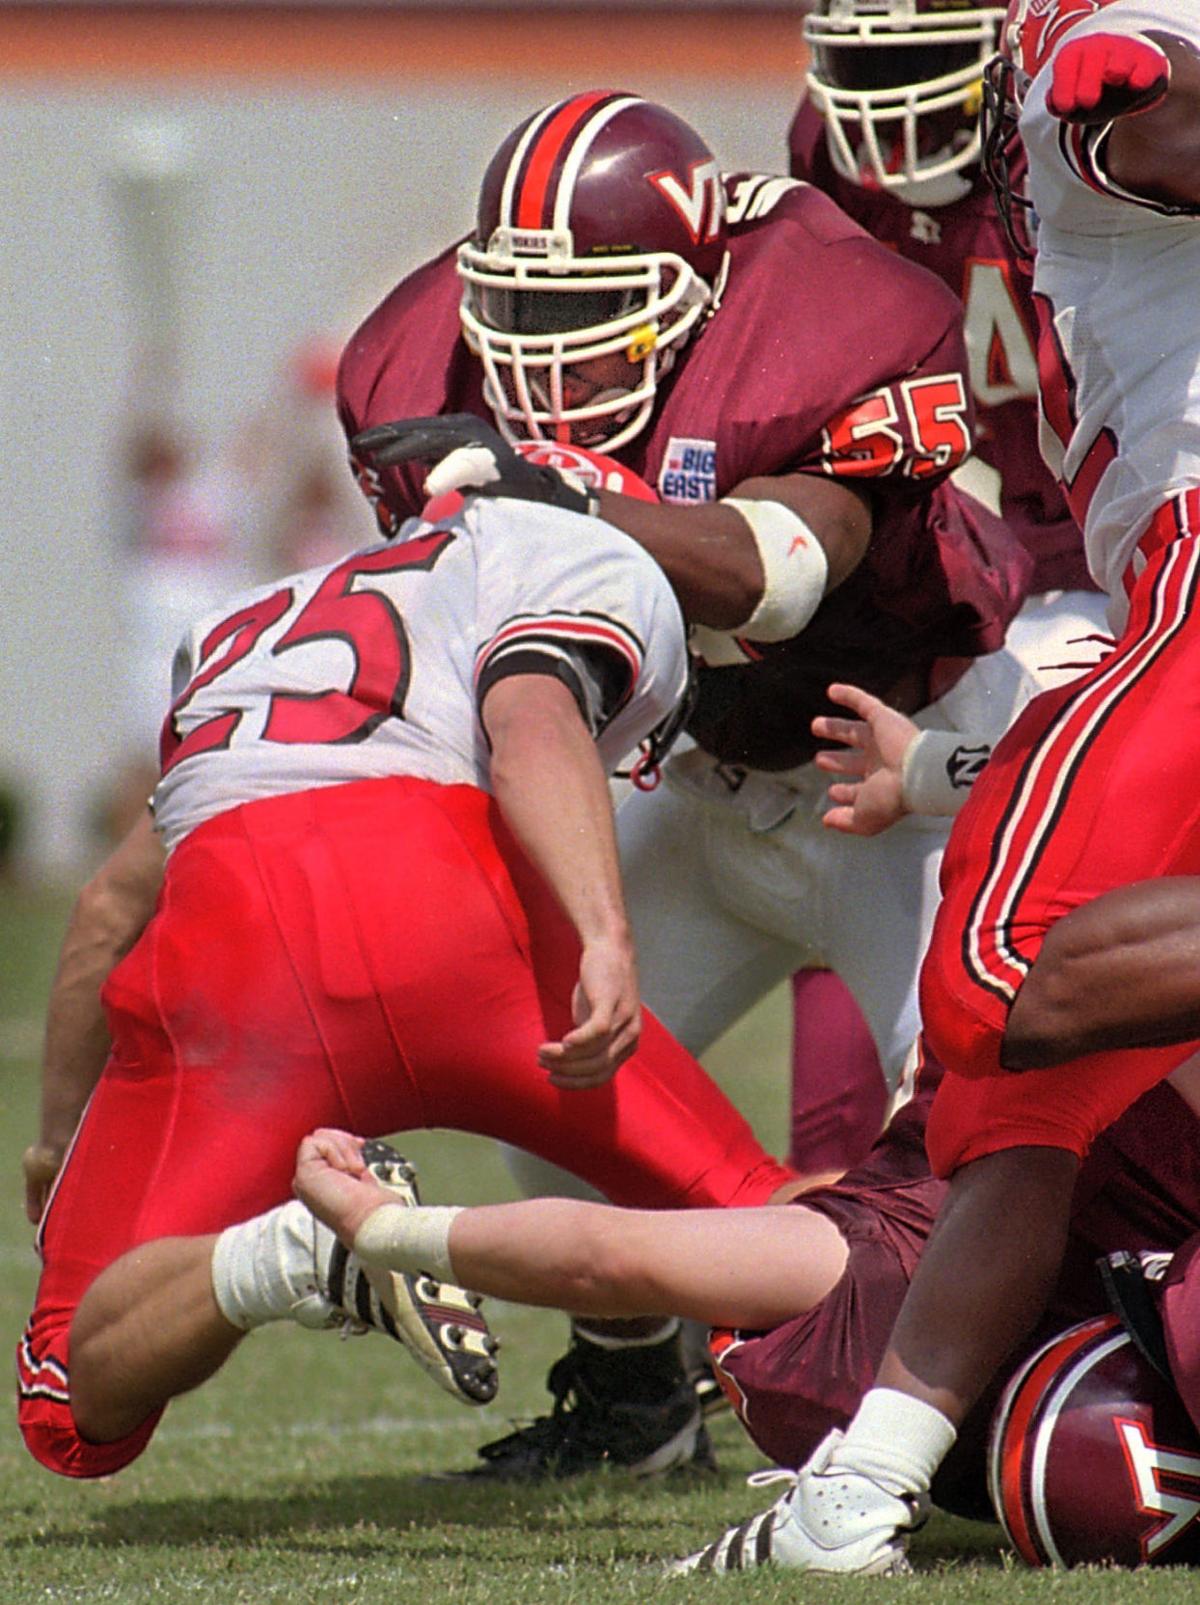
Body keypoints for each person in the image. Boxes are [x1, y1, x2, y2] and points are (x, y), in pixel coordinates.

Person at [337, 88, 1033, 1477]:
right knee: (554, 1060)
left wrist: (574, 496)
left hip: (899, 774)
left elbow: (783, 578)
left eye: (586, 310)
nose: (541, 357)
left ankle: (983, 1416)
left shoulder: (833, 314)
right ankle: (638, 1391)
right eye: (519, 316)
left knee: (973, 1134)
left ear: (697, 289)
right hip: (701, 777)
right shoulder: (417, 364)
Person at [671, 0, 1200, 1572]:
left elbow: (1155, 102)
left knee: (999, 985)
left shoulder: (1085, 52)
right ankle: (864, 1487)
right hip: (1111, 612)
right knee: (1024, 1055)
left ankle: (860, 1480)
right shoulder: (1008, 101)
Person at [16, 440, 804, 1480]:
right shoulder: (569, 548)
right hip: (454, 907)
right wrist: (607, 936)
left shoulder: (242, 621)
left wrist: (57, 1142)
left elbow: (113, 901)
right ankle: (988, 1362)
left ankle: (290, 1255)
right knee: (771, 1216)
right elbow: (530, 722)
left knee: (71, 1405)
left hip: (235, 930)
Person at [290, 1031, 1200, 1566]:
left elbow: (608, 1257)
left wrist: (385, 1231)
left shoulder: (872, 1267)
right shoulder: (893, 1258)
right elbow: (607, 1259)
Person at [784, 0, 1113, 1178]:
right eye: (870, 64)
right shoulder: (832, 157)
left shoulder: (1097, 127)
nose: (892, 103)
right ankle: (877, 1181)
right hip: (969, 563)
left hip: (1128, 549)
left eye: (926, 59)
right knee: (865, 815)